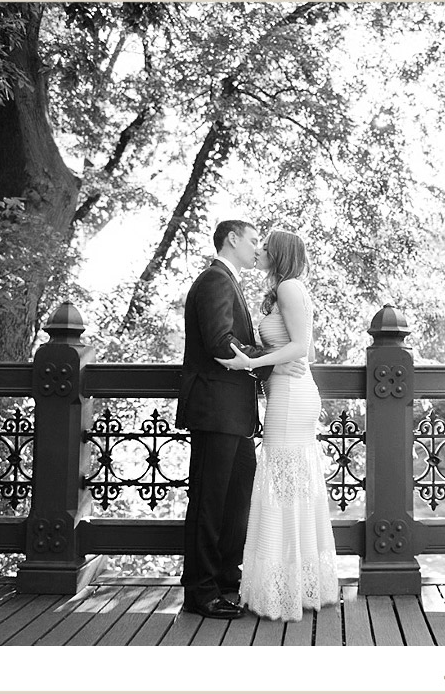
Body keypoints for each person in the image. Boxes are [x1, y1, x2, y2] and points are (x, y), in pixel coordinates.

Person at [175, 219, 304, 620]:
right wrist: (269, 367)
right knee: (209, 504)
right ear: (232, 239)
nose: (256, 248)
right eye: (252, 241)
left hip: (235, 414)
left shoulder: (229, 282)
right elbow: (218, 341)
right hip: (215, 411)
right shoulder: (214, 280)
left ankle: (227, 582)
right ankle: (200, 592)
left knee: (235, 504)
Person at [215, 229, 339, 621]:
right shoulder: (285, 289)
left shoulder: (289, 287)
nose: (260, 250)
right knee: (288, 486)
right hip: (285, 389)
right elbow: (307, 346)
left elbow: (302, 349)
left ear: (281, 253)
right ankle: (293, 583)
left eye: (266, 246)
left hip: (290, 395)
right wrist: (271, 357)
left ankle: (287, 588)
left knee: (283, 484)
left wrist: (250, 363)